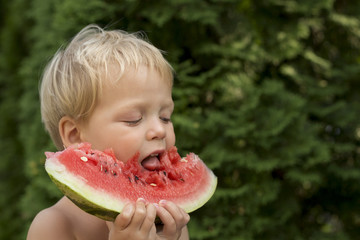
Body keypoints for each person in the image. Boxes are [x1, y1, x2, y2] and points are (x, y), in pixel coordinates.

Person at [27, 24, 190, 240]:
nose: (160, 130)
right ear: (75, 135)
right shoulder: (54, 225)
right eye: (134, 119)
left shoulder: (169, 216)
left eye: (165, 117)